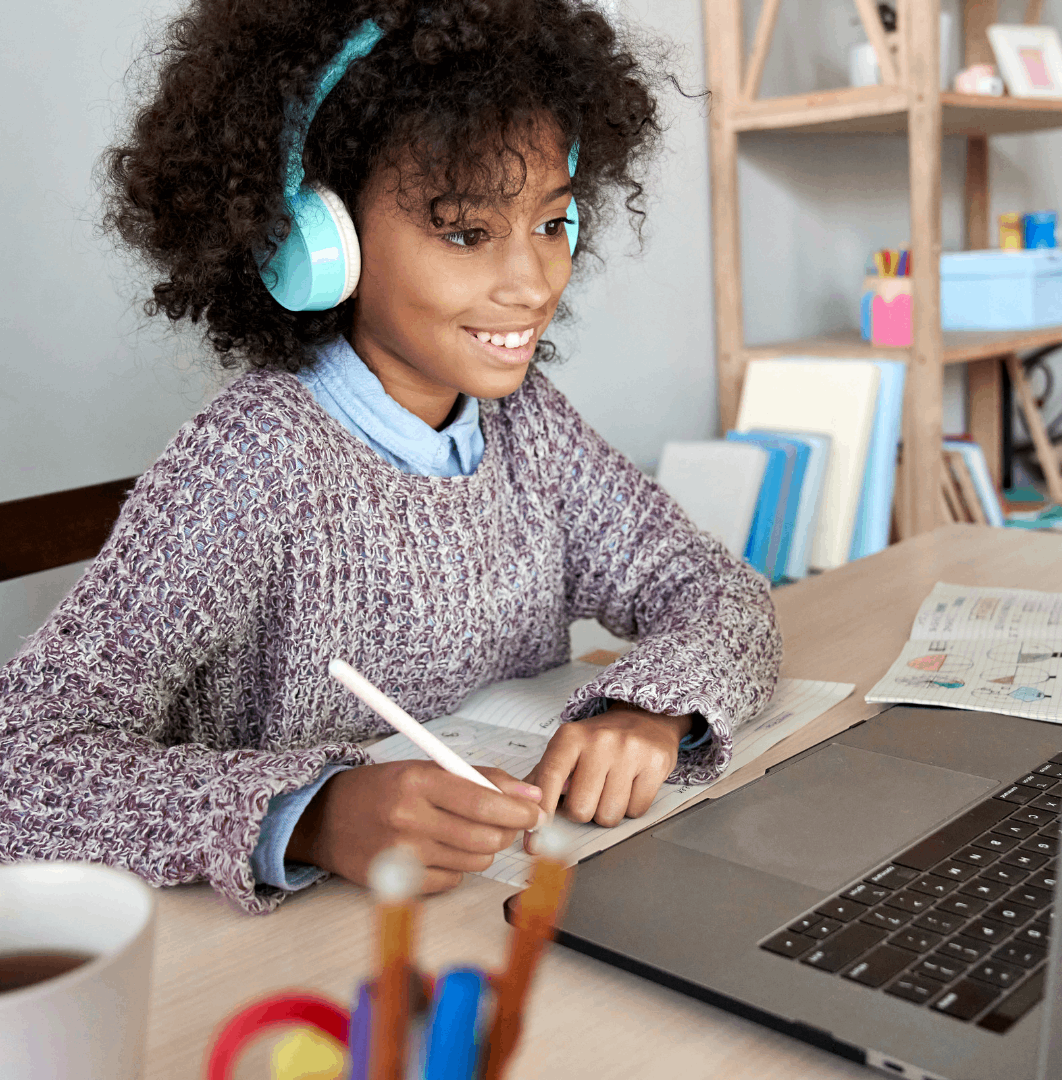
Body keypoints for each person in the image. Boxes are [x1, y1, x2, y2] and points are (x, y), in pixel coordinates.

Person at [0, 0, 781, 914]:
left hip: (481, 918)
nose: (532, 283)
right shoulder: (246, 469)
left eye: (551, 224)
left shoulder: (529, 426)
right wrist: (312, 814)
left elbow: (718, 590)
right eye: (464, 231)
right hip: (288, 970)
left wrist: (652, 709)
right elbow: (23, 760)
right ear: (315, 242)